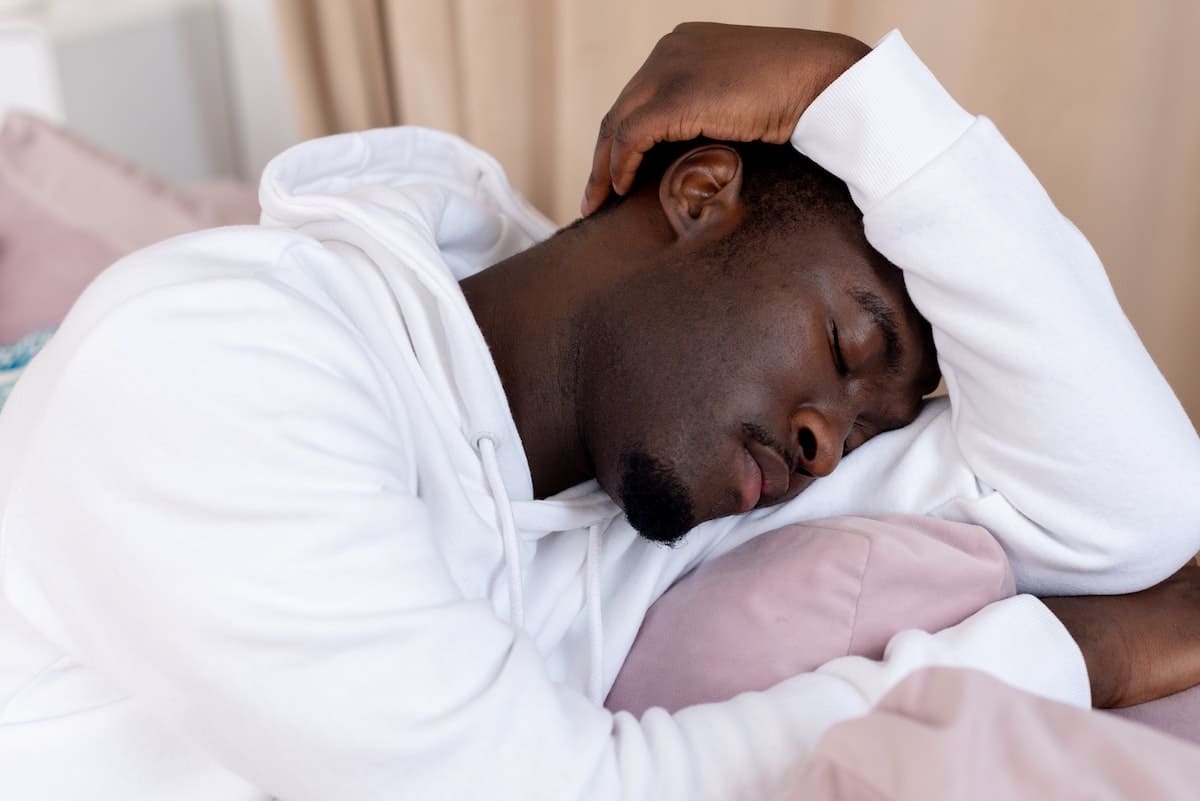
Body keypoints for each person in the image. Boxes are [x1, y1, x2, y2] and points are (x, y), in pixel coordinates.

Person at [0, 21, 1197, 801]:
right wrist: (1059, 656)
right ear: (698, 194)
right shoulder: (221, 364)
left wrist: (881, 110)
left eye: (866, 431)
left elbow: (1137, 511)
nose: (830, 444)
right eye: (845, 346)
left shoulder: (630, 487)